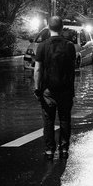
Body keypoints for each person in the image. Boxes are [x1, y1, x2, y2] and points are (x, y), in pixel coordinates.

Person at [33, 16, 76, 160]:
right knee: (65, 120)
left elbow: (37, 70)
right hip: (66, 90)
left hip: (47, 91)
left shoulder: (42, 46)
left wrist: (36, 88)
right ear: (62, 27)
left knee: (48, 121)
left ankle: (49, 151)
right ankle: (64, 149)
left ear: (48, 27)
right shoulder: (70, 46)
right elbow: (72, 69)